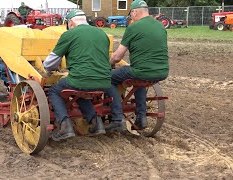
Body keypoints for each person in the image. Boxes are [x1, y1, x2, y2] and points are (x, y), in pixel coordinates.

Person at [43, 9, 111, 141]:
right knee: (78, 91)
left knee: (54, 91)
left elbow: (50, 63)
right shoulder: (102, 34)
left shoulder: (70, 34)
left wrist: (49, 69)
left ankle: (64, 126)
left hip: (81, 79)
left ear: (70, 23)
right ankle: (96, 123)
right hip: (104, 81)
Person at [105, 0, 169, 131]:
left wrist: (108, 64)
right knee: (139, 80)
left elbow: (117, 57)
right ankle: (141, 118)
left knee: (106, 78)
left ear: (134, 12)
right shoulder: (160, 26)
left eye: (131, 14)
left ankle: (117, 118)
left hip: (141, 71)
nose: (131, 17)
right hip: (162, 71)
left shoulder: (133, 27)